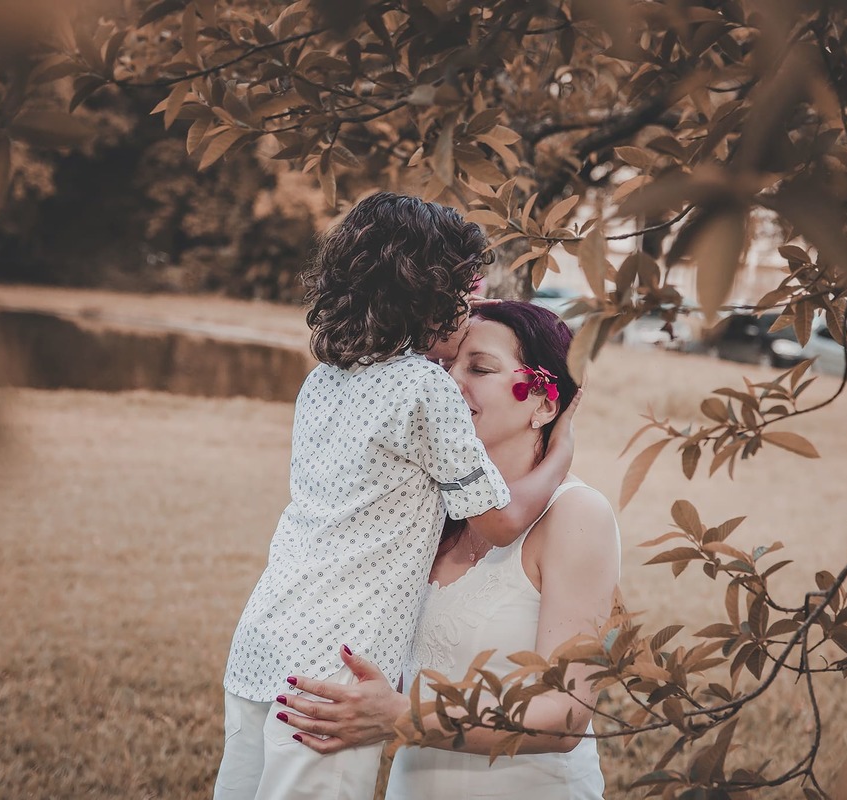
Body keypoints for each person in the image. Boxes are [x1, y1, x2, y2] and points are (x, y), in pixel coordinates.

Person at [213, 195, 580, 800]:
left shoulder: (325, 378)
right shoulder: (424, 389)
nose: (470, 312)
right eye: (463, 298)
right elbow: (504, 521)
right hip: (336, 666)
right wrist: (561, 447)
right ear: (433, 300)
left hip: (264, 637)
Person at [274, 301, 621, 799]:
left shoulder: (576, 516)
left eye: (479, 368)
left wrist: (401, 715)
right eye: (442, 366)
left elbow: (564, 714)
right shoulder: (426, 503)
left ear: (545, 402)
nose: (447, 384)